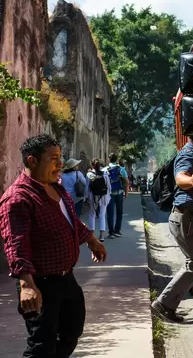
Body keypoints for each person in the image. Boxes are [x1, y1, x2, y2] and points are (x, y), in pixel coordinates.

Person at [0, 133, 107, 358]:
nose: (60, 164)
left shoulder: (56, 188)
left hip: (66, 279)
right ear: (32, 161)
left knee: (71, 332)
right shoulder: (19, 198)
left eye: (60, 157)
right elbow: (16, 243)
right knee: (41, 346)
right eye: (53, 158)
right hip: (41, 284)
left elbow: (71, 222)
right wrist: (27, 284)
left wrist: (92, 240)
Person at [151, 135, 193, 322]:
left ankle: (171, 303)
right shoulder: (189, 152)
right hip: (186, 218)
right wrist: (192, 181)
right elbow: (180, 178)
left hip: (188, 218)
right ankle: (164, 304)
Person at [105, 153, 129, 239]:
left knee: (110, 213)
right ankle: (117, 230)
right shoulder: (121, 169)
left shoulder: (105, 169)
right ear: (117, 160)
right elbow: (126, 182)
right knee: (119, 212)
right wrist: (126, 193)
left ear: (109, 159)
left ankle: (111, 232)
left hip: (109, 194)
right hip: (119, 193)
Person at [87, 159, 111, 242]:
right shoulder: (105, 174)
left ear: (92, 165)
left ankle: (92, 235)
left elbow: (87, 187)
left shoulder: (90, 174)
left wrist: (86, 197)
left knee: (92, 214)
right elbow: (109, 187)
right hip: (103, 197)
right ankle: (102, 235)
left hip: (93, 197)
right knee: (102, 215)